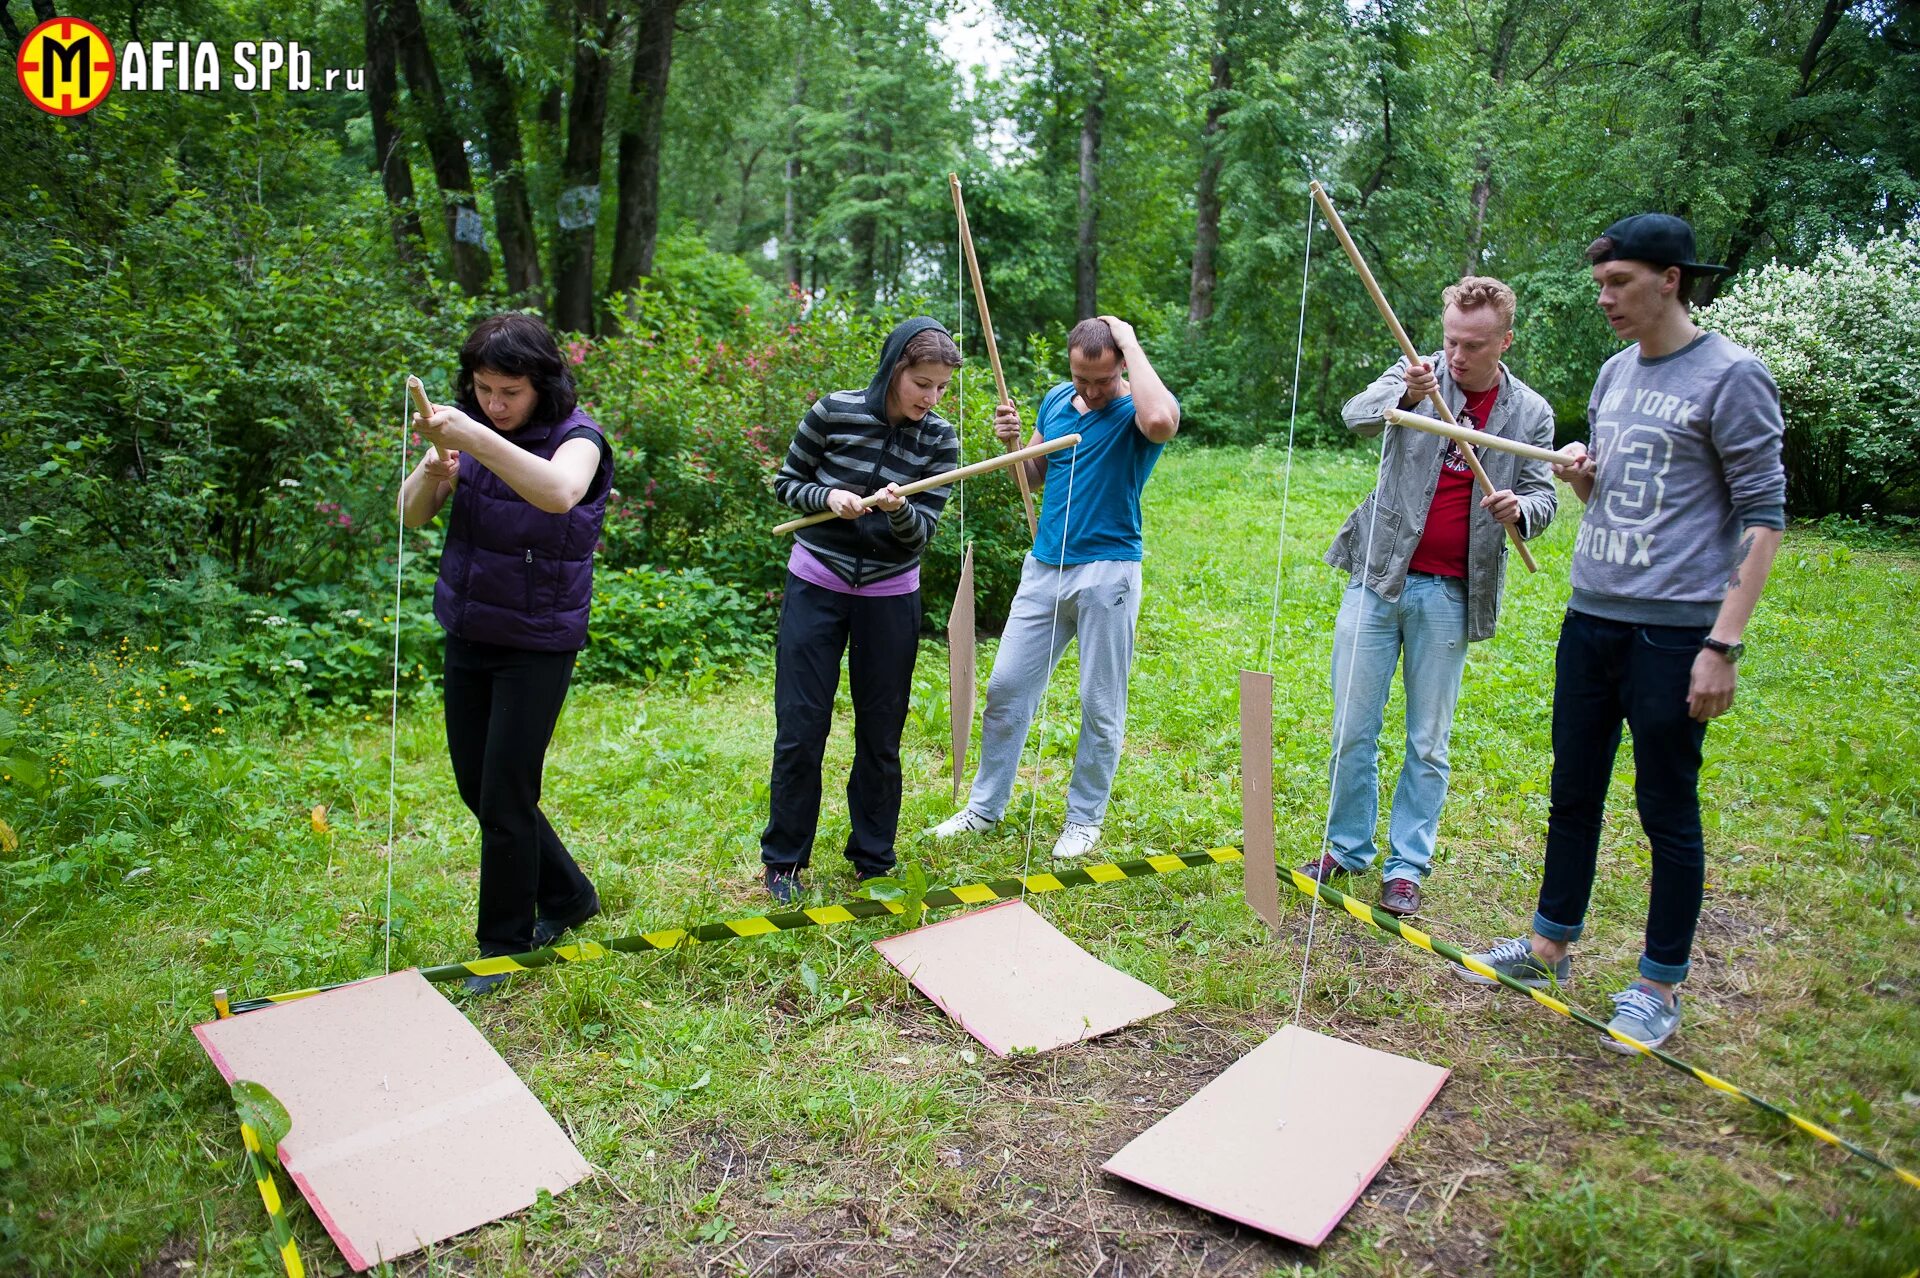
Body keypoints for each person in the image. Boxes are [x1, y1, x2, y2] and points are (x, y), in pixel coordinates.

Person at [1453, 214, 1786, 1052]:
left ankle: (1657, 984)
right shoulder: (1613, 374)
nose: (1605, 298)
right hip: (1592, 614)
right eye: (1601, 283)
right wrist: (1585, 481)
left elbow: (1763, 515)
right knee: (1574, 790)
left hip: (1676, 633)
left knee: (1665, 805)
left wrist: (1723, 644)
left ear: (1671, 278)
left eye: (1620, 283)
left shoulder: (1731, 376)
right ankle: (1547, 945)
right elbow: (1621, 497)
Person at [1299, 277, 1558, 917]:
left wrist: (1519, 508)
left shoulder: (1529, 414)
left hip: (1449, 591)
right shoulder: (1417, 375)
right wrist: (1404, 391)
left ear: (1505, 340)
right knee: (1352, 727)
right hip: (1378, 575)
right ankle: (1345, 848)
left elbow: (1545, 497)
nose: (1458, 356)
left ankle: (1406, 867)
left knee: (1427, 741)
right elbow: (1357, 416)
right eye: (1451, 340)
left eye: (1474, 345)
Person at [402, 312, 614, 994]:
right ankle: (571, 898)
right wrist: (436, 471)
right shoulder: (464, 424)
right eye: (483, 390)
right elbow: (409, 515)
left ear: (541, 384)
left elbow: (557, 492)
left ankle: (502, 943)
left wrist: (479, 442)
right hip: (469, 627)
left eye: (509, 393)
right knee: (479, 786)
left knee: (506, 794)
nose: (494, 405)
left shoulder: (578, 438)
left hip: (537, 640)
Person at [931, 315, 1179, 860]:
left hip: (1107, 571)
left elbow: (1162, 421)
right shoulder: (1057, 399)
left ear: (1121, 365)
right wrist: (1015, 446)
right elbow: (1032, 477)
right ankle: (984, 808)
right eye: (1081, 377)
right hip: (1044, 569)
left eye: (1102, 379)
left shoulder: (1139, 408)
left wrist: (1130, 341)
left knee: (1100, 703)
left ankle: (1084, 820)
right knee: (1006, 690)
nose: (1090, 390)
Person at [761, 318, 963, 903]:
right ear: (894, 368)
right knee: (801, 728)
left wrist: (897, 511)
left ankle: (873, 858)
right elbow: (786, 482)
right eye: (922, 383)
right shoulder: (834, 412)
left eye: (941, 388)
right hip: (817, 583)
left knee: (882, 734)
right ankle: (784, 862)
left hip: (890, 594)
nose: (930, 398)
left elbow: (918, 536)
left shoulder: (940, 441)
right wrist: (827, 497)